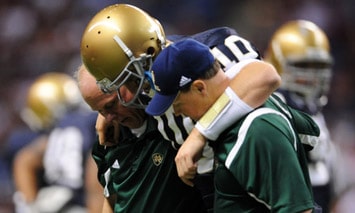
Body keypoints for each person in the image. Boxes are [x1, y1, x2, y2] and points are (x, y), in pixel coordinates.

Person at [80, 4, 280, 199]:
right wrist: (107, 111)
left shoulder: (209, 53)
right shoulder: (150, 76)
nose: (129, 94)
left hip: (268, 168)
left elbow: (265, 76)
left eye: (131, 79)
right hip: (216, 189)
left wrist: (200, 134)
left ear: (148, 53)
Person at [145, 38, 320, 212]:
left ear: (200, 88)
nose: (177, 113)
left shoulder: (257, 129)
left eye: (178, 104)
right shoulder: (237, 118)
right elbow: (308, 129)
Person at [76, 64, 206, 213]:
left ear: (130, 81)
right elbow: (111, 200)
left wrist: (198, 136)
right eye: (100, 110)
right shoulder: (108, 141)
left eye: (111, 105)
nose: (109, 117)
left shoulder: (171, 116)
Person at [263, 20, 335, 212]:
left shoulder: (309, 104)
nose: (313, 75)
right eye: (303, 65)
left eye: (319, 66)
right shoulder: (273, 106)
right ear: (278, 63)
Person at [11, 72, 101, 213]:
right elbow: (95, 164)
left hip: (60, 201)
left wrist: (29, 206)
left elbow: (24, 160)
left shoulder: (56, 134)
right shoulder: (92, 121)